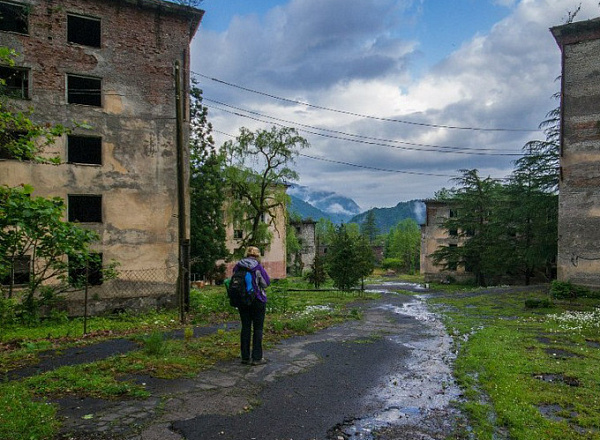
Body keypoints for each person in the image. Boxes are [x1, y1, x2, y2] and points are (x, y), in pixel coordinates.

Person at [232, 246, 270, 365]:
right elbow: (266, 283)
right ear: (257, 255)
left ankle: (245, 357)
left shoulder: (238, 266)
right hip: (257, 300)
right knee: (258, 329)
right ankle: (257, 358)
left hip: (242, 301)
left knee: (245, 328)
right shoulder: (257, 267)